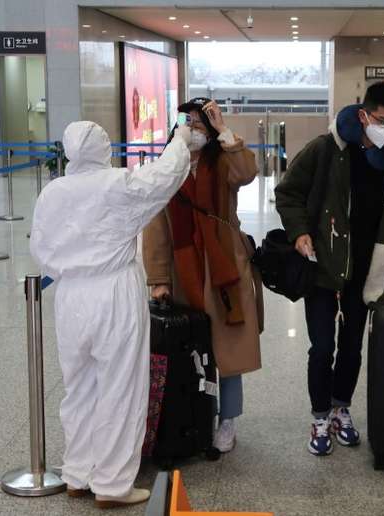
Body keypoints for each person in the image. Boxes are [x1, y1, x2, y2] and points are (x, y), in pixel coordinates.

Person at [29, 121, 192, 508]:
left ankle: (78, 473)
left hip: (70, 297)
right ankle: (113, 484)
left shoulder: (51, 193)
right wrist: (182, 141)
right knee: (121, 386)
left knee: (79, 386)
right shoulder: (116, 184)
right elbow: (164, 177)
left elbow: (40, 248)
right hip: (113, 291)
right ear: (104, 149)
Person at [275, 82, 384, 456]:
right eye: (381, 120)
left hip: (368, 274)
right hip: (324, 268)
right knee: (322, 347)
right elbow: (288, 192)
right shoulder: (327, 149)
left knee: (352, 350)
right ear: (363, 114)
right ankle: (320, 416)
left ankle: (342, 408)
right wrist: (299, 232)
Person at [142, 98, 262, 453]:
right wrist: (159, 278)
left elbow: (248, 172)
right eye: (187, 122)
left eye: (200, 124)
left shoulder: (222, 161)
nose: (193, 129)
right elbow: (155, 228)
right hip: (184, 270)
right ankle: (196, 414)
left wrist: (225, 130)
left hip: (225, 267)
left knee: (228, 350)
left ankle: (229, 418)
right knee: (192, 347)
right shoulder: (167, 168)